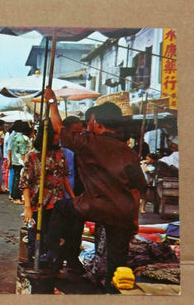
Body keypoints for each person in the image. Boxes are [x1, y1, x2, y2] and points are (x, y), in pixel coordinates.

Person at [45, 87, 147, 292]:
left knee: (61, 208)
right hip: (122, 214)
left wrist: (52, 102)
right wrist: (134, 221)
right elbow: (137, 191)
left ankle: (53, 254)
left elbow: (57, 127)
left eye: (90, 122)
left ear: (98, 124)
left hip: (93, 206)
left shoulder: (88, 142)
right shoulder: (129, 153)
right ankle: (111, 291)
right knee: (117, 266)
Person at [20, 121, 74, 264]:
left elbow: (64, 177)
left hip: (57, 203)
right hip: (38, 204)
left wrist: (73, 198)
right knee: (36, 240)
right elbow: (25, 183)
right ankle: (34, 271)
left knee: (54, 241)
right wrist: (27, 207)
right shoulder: (33, 156)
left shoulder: (60, 153)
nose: (59, 136)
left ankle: (51, 272)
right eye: (56, 133)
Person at [10, 121, 30, 204]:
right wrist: (25, 161)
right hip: (19, 161)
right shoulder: (21, 138)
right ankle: (17, 197)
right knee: (18, 179)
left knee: (15, 178)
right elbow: (22, 152)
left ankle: (13, 195)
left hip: (15, 160)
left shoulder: (14, 136)